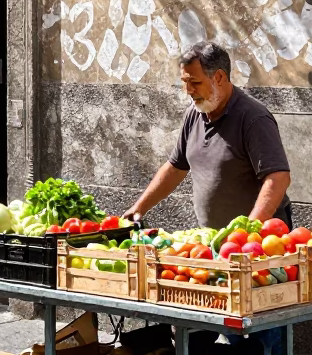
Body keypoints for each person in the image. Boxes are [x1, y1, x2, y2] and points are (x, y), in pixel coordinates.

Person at [123, 40, 292, 230]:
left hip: (259, 241)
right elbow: (175, 168)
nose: (188, 91)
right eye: (185, 82)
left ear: (219, 77)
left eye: (195, 82)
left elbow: (278, 178)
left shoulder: (253, 118)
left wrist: (249, 230)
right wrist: (138, 208)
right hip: (214, 240)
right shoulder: (194, 113)